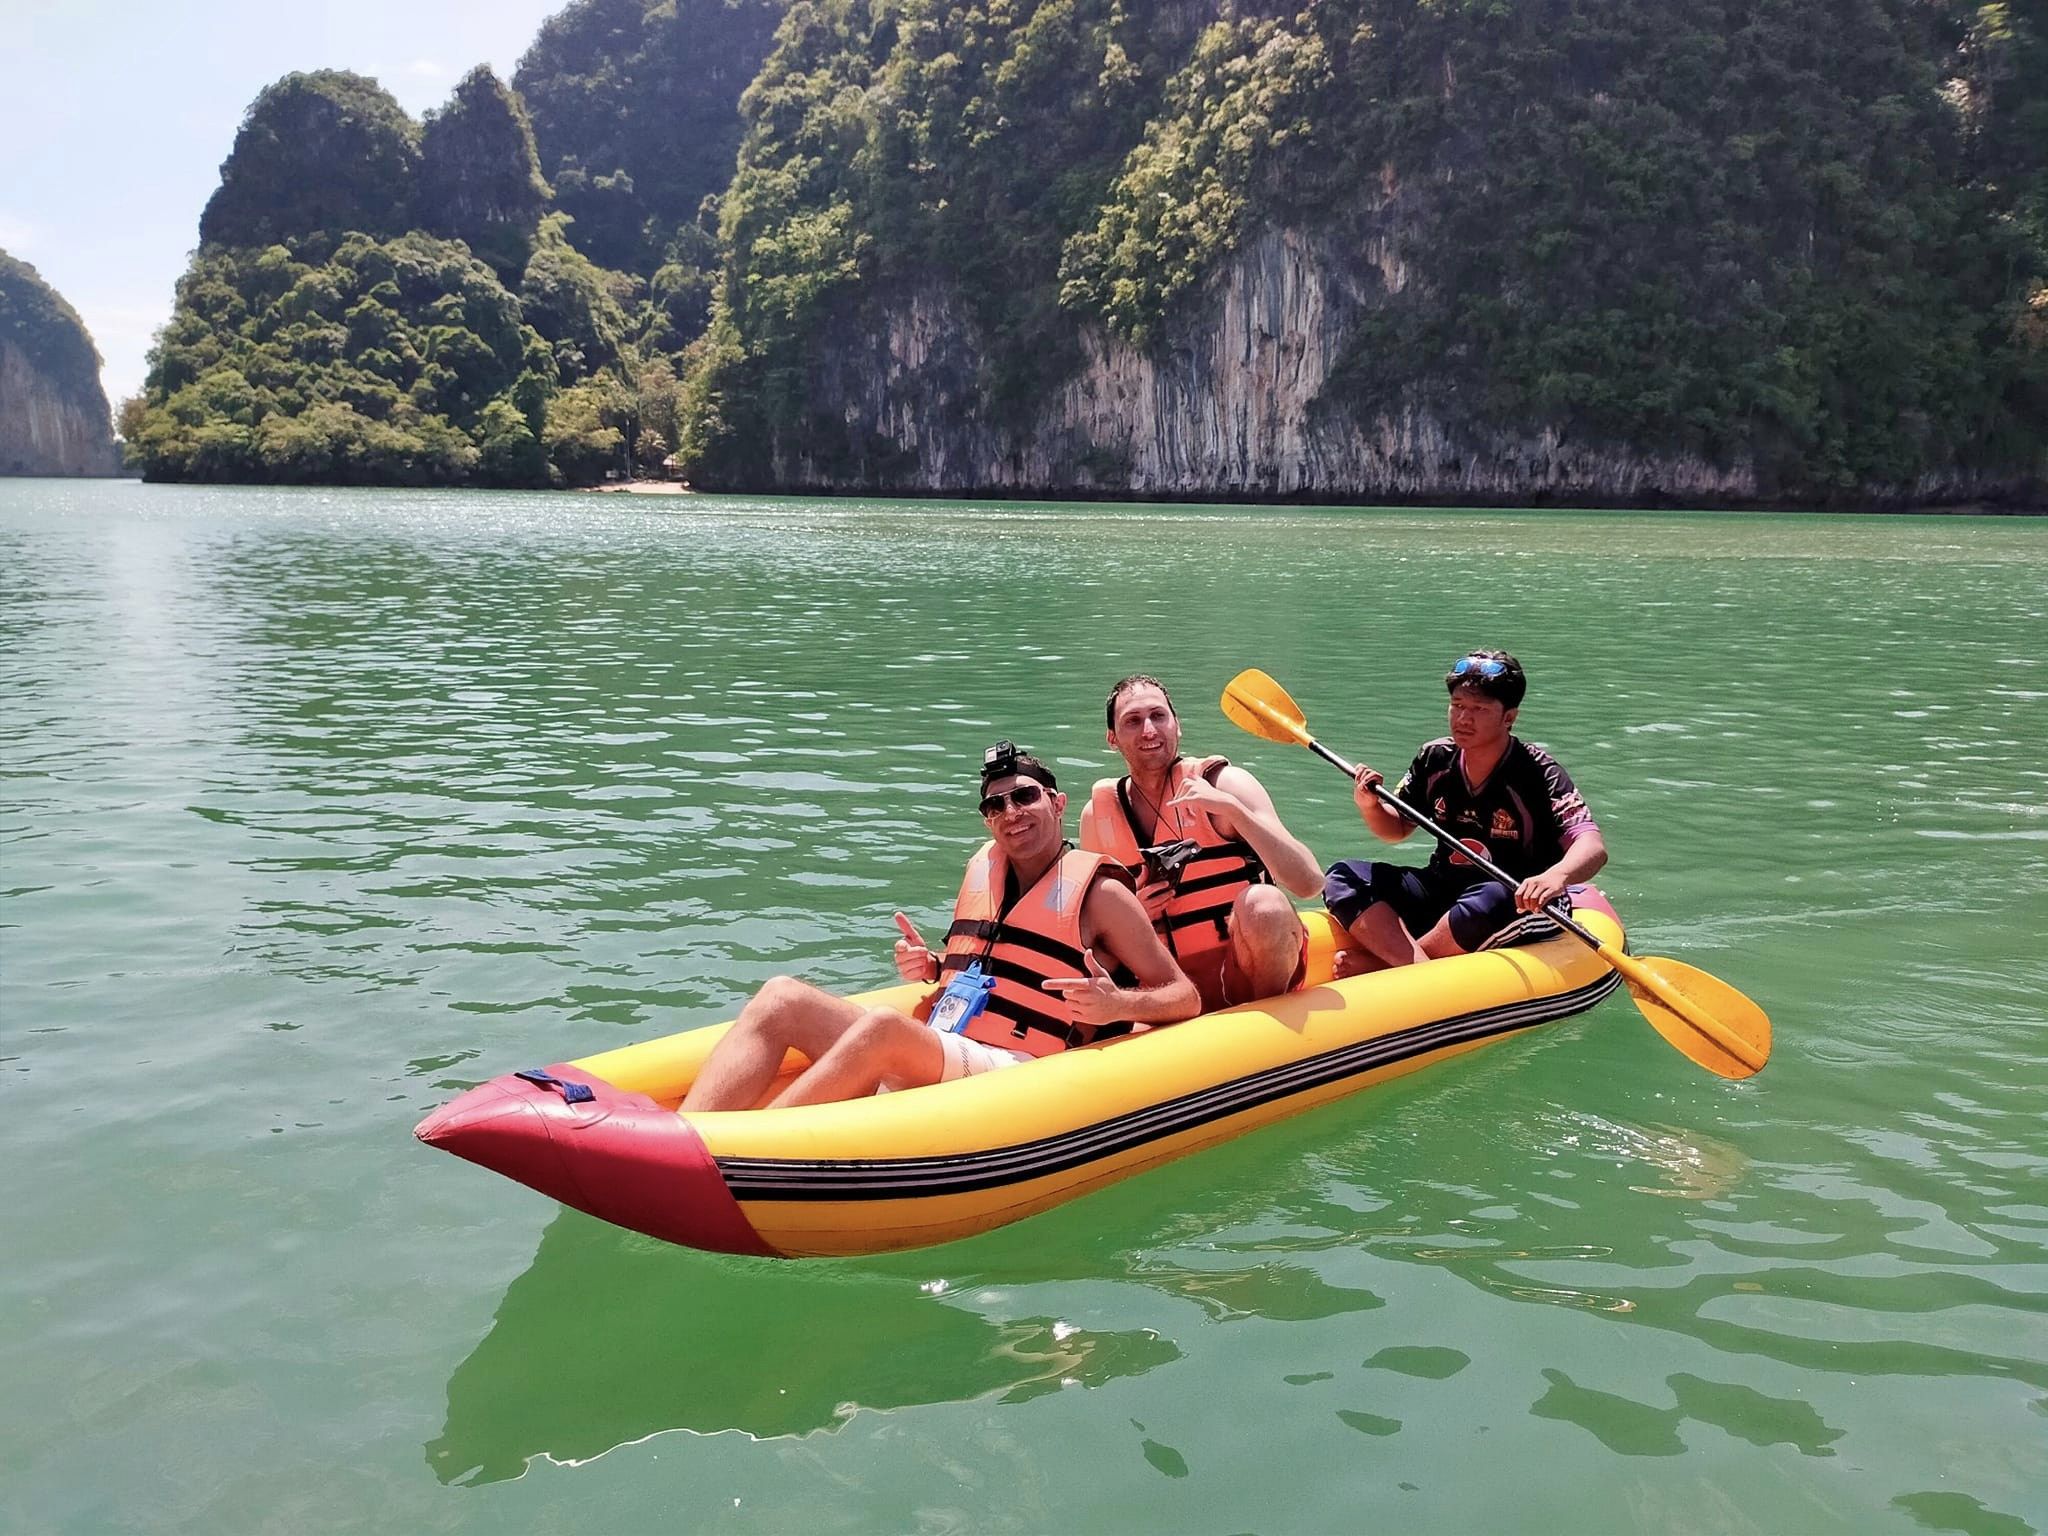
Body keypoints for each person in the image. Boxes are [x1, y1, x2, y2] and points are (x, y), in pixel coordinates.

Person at [680, 742, 1201, 1111]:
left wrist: (1118, 1005)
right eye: (995, 805)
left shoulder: (1102, 893)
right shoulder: (985, 870)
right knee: (780, 997)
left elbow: (1184, 996)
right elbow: (991, 970)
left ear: (1057, 804)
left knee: (882, 1027)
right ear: (986, 820)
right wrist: (932, 966)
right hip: (950, 1043)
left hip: (1024, 1069)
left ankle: (755, 1153)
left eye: (1025, 797)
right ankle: (691, 1136)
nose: (1011, 812)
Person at [1323, 649, 1607, 972]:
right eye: (1457, 705)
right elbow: (1396, 828)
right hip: (1446, 887)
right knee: (1343, 876)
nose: (1463, 718)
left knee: (1494, 896)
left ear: (1509, 717)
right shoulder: (1435, 758)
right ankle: (1414, 966)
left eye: (1479, 709)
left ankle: (1386, 969)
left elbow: (1592, 846)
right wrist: (1369, 805)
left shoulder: (1539, 773)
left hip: (1516, 899)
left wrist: (1556, 876)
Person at [1078, 675, 1324, 1011]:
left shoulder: (1225, 784)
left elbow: (1309, 882)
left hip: (1244, 972)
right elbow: (1087, 930)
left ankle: (1267, 1031)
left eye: (1158, 716)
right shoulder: (1098, 816)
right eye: (1133, 721)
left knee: (1266, 903)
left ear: (1177, 726)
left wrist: (1235, 813)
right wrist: (1129, 914)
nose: (1149, 730)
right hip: (1165, 989)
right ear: (1112, 738)